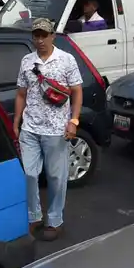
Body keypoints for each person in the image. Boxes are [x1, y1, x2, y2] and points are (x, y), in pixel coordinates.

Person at [14, 18, 82, 242]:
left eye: (44, 35)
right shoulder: (26, 61)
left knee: (56, 176)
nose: (40, 40)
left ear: (53, 35)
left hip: (56, 130)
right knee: (30, 174)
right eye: (36, 36)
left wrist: (74, 121)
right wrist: (17, 121)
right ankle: (34, 216)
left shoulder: (66, 59)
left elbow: (76, 91)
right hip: (30, 127)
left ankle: (54, 220)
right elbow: (21, 94)